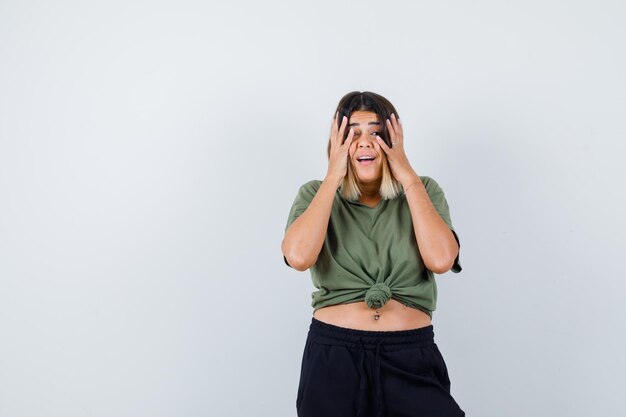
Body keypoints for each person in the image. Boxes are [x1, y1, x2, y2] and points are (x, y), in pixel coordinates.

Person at [282, 91, 465, 417]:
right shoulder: (315, 193)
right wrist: (333, 176)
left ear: (394, 140)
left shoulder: (423, 190)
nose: (365, 142)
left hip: (410, 354)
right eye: (352, 133)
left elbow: (441, 260)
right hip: (334, 357)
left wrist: (406, 174)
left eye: (377, 133)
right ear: (336, 141)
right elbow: (298, 257)